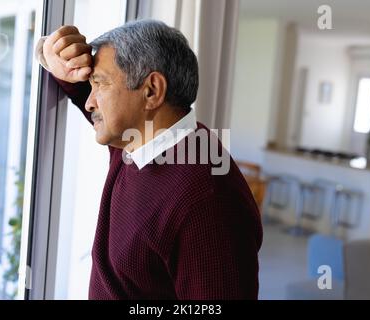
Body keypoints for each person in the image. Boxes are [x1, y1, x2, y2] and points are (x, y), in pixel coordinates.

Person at [36, 19, 262, 300]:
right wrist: (52, 50)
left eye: (100, 84)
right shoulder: (137, 137)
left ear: (152, 91)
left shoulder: (208, 202)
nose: (90, 102)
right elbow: (76, 86)